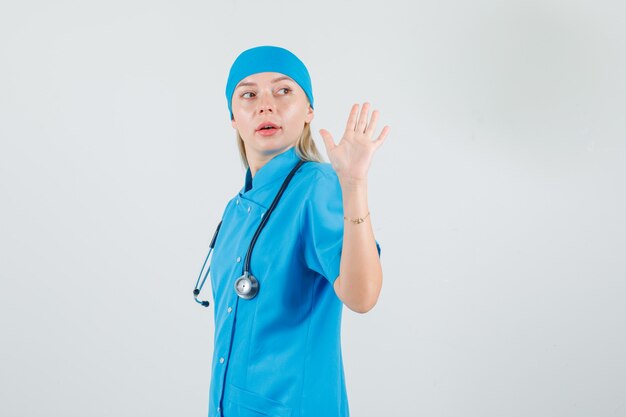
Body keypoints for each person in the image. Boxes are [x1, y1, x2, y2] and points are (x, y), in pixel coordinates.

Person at [201, 45, 390, 417]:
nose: (265, 105)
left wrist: (353, 185)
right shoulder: (235, 208)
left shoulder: (316, 186)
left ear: (308, 112)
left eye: (283, 91)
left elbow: (362, 295)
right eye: (249, 94)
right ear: (233, 118)